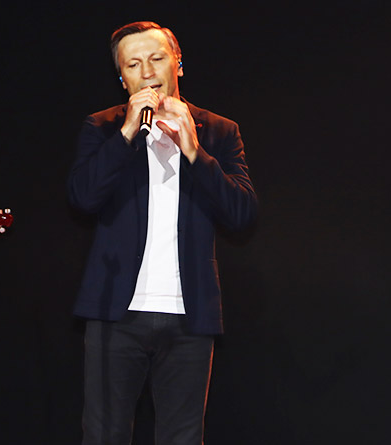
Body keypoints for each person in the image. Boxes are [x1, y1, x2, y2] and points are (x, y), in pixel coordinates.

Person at [67, 21, 257, 445]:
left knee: (183, 437)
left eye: (156, 58)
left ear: (178, 64)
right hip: (115, 312)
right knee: (104, 434)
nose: (147, 72)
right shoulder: (102, 127)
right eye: (133, 64)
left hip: (190, 313)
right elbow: (82, 198)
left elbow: (242, 213)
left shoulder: (218, 131)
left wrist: (194, 151)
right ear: (122, 78)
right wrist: (126, 133)